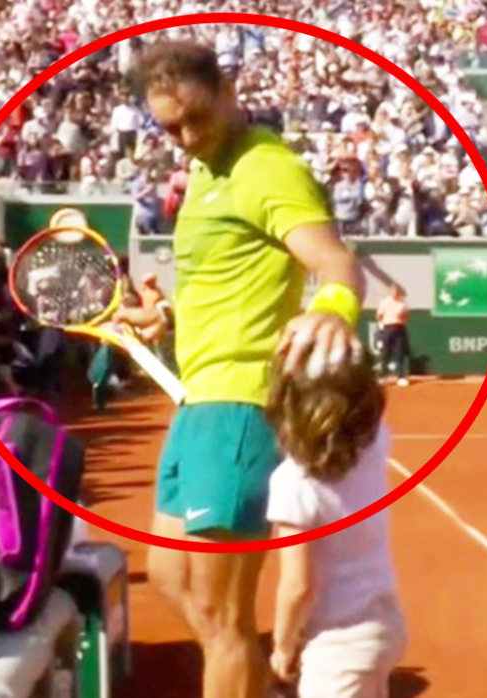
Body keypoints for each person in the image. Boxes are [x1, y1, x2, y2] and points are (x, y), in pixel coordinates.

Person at [112, 41, 366, 698]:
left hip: (242, 405)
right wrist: (161, 317)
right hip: (199, 402)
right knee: (171, 577)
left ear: (227, 91)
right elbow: (226, 278)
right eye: (171, 127)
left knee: (223, 616)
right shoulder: (204, 173)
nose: (188, 136)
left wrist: (333, 311)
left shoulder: (267, 169)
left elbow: (337, 264)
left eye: (198, 117)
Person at [263, 351, 406, 698]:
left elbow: (298, 585)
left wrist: (282, 647)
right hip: (387, 626)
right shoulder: (373, 447)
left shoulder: (292, 483)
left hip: (338, 645)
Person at [375, 285, 410, 386]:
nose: (395, 293)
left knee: (399, 353)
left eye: (397, 291)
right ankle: (382, 377)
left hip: (399, 328)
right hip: (387, 328)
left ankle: (401, 377)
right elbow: (379, 316)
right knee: (385, 353)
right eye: (393, 291)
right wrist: (381, 326)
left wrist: (401, 324)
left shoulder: (402, 304)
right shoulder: (384, 303)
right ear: (390, 292)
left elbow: (405, 316)